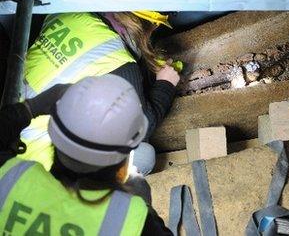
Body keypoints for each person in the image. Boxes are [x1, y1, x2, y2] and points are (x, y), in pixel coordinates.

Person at [0, 75, 172, 235]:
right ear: (125, 153)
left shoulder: (10, 176)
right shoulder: (131, 221)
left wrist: (30, 108)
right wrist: (143, 211)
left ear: (55, 131)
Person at [19, 11, 180, 174]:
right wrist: (165, 83)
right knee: (143, 155)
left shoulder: (64, 12)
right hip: (45, 167)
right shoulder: (118, 61)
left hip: (10, 133)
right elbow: (143, 125)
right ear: (145, 28)